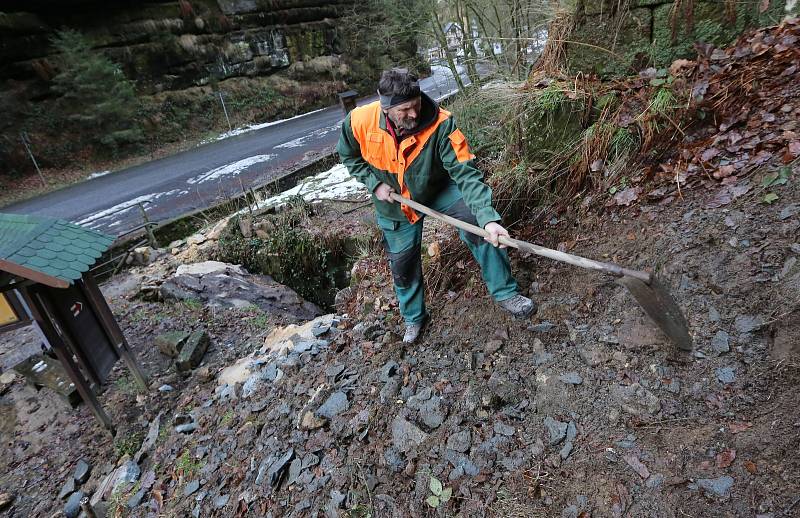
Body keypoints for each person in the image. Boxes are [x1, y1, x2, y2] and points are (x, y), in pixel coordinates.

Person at [337, 68, 536, 344]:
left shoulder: (442, 123)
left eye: (416, 105)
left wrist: (489, 218)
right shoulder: (358, 122)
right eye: (405, 109)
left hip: (438, 187)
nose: (415, 115)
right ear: (386, 109)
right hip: (395, 203)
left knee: (479, 225)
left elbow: (466, 172)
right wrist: (374, 184)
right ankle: (414, 319)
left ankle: (505, 292)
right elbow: (349, 156)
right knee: (403, 263)